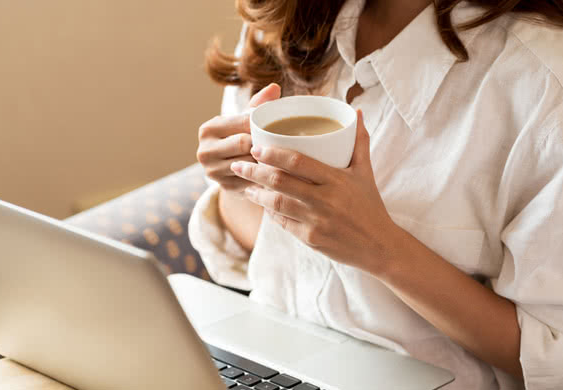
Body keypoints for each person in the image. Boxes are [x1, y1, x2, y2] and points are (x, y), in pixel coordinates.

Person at [188, 0, 563, 388]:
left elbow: (552, 357)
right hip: (267, 361)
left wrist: (381, 248)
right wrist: (237, 182)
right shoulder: (281, 20)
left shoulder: (543, 85)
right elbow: (265, 249)